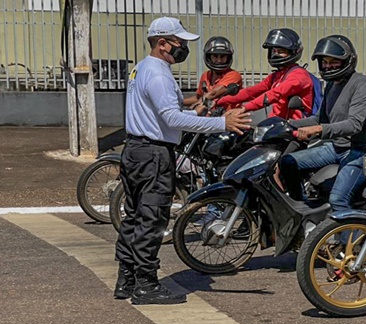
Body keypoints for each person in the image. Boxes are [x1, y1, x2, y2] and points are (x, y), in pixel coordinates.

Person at [114, 17, 251, 305]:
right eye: (180, 42)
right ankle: (146, 285)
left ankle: (126, 278)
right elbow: (171, 117)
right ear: (162, 43)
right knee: (151, 219)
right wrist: (222, 124)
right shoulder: (159, 75)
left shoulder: (143, 68)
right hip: (152, 155)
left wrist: (203, 116)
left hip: (137, 150)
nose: (184, 48)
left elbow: (168, 115)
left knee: (135, 217)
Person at [277, 34, 366, 212]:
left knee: (338, 199)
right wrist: (286, 124)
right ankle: (300, 210)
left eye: (333, 61)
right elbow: (320, 119)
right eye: (324, 62)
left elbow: (354, 125)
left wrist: (319, 130)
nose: (327, 66)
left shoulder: (362, 85)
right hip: (337, 148)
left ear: (348, 60)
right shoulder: (332, 85)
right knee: (288, 162)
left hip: (362, 151)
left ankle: (347, 239)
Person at [215, 28, 315, 120]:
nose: (276, 55)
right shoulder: (277, 75)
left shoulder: (298, 75)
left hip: (296, 129)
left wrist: (244, 108)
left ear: (293, 52)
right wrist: (218, 101)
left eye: (281, 51)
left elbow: (275, 93)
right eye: (273, 51)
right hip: (277, 125)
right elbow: (250, 92)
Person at [182, 36, 243, 111]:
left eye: (223, 56)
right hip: (209, 117)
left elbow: (213, 94)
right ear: (208, 57)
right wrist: (179, 102)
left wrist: (195, 106)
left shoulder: (233, 75)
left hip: (229, 116)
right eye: (215, 56)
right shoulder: (205, 75)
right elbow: (199, 97)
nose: (219, 60)